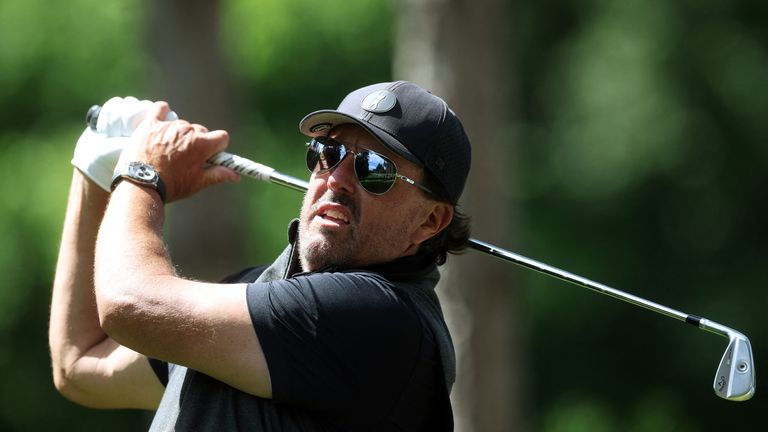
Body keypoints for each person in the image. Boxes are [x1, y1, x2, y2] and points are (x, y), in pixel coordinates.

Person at [49, 81, 472, 431]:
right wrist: (94, 176)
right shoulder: (256, 293)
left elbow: (128, 304)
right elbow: (81, 364)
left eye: (375, 169)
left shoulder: (380, 319)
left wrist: (140, 173)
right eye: (329, 153)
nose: (337, 180)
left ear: (431, 221)